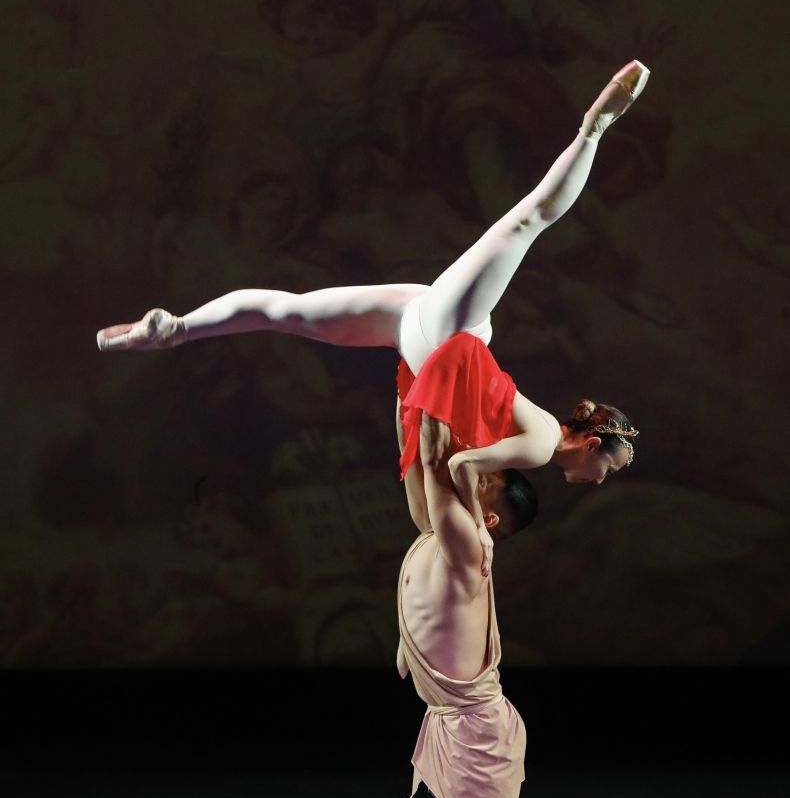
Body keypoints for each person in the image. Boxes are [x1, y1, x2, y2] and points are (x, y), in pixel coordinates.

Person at [96, 59, 646, 539]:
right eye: (611, 468)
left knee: (286, 311)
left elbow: (449, 455)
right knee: (527, 221)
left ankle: (177, 328)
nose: (603, 480)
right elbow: (461, 466)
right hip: (446, 336)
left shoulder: (544, 435)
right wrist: (477, 535)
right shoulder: (542, 444)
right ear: (592, 445)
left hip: (427, 329)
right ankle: (594, 127)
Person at [394, 337, 538, 798]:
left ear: (490, 519)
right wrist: (408, 384)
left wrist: (444, 367)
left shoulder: (469, 545)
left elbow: (433, 459)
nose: (468, 481)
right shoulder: (441, 533)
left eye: (481, 487)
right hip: (448, 724)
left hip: (477, 729)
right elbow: (418, 473)